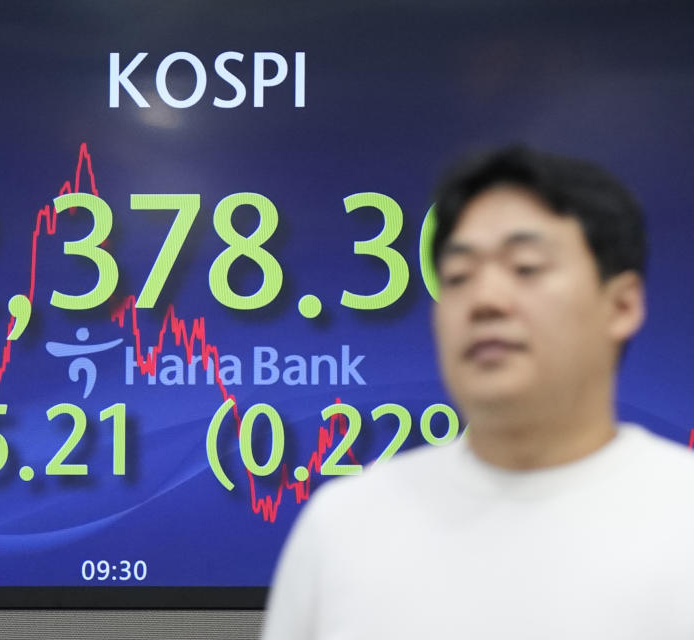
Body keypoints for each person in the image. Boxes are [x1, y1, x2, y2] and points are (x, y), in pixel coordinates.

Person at [261, 146, 694, 639]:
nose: (484, 300)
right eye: (458, 277)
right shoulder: (343, 528)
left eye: (526, 267)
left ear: (621, 305)